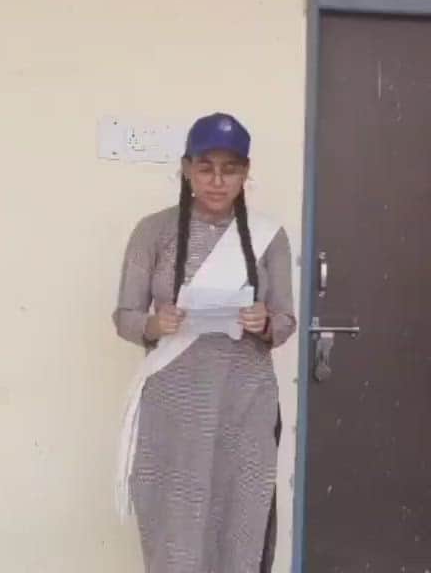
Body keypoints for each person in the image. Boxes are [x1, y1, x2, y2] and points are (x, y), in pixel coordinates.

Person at [112, 112, 296, 573]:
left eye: (230, 169)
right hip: (174, 401)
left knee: (241, 518)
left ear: (246, 174)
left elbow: (288, 320)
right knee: (175, 520)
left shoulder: (268, 236)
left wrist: (265, 321)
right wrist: (156, 324)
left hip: (245, 401)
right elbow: (124, 317)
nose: (217, 180)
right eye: (205, 167)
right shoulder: (152, 231)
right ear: (186, 169)